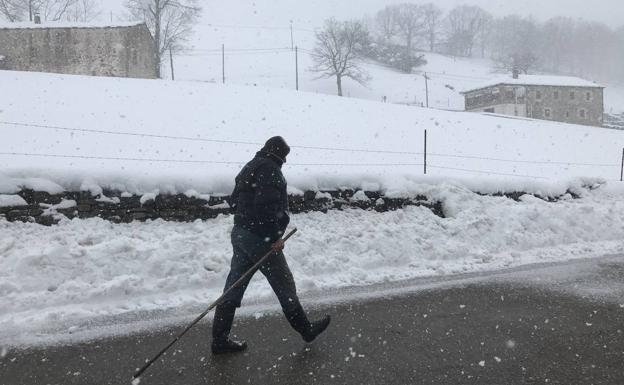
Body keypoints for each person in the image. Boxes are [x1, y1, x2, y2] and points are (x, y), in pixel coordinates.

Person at [211, 136, 331, 354]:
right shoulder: (271, 169)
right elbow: (266, 207)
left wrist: (245, 221)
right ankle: (306, 330)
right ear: (280, 155)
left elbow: (234, 200)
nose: (284, 161)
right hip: (260, 238)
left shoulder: (251, 166)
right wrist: (274, 236)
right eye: (284, 157)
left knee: (235, 284)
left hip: (240, 233)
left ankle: (219, 339)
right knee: (284, 283)